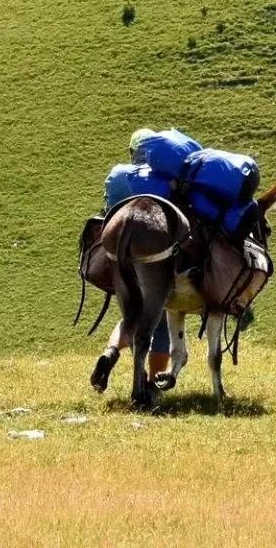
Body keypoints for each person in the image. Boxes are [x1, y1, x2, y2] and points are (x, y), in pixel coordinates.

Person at [91, 130, 177, 393]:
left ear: (131, 152)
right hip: (152, 256)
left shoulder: (116, 175)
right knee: (158, 320)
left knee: (131, 314)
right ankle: (150, 385)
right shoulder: (161, 179)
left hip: (116, 256)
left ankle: (111, 351)